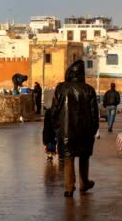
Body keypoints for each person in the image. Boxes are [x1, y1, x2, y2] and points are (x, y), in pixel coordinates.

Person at [49, 59, 99, 197]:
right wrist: (94, 129)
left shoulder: (61, 89)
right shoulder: (89, 90)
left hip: (65, 131)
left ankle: (69, 187)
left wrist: (56, 128)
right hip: (85, 130)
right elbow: (95, 113)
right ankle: (84, 183)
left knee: (68, 158)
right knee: (84, 157)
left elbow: (54, 111)